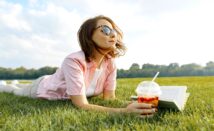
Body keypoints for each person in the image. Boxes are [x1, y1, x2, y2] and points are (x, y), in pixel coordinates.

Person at [0, 15, 156, 118]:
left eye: (114, 30)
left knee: (19, 86)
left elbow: (109, 99)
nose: (113, 35)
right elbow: (81, 104)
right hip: (43, 86)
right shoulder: (73, 60)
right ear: (89, 35)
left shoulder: (110, 63)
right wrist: (123, 112)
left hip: (53, 79)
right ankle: (5, 85)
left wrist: (134, 104)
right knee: (17, 91)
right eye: (106, 30)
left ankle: (14, 82)